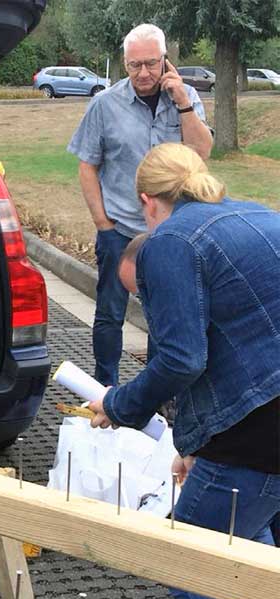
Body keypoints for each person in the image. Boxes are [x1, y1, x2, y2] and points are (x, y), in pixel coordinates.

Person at [88, 143, 280, 599]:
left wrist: (118, 405)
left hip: (259, 431)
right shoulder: (261, 216)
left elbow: (181, 358)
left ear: (146, 201)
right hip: (258, 422)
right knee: (249, 555)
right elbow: (241, 344)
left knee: (183, 562)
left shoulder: (171, 241)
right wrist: (197, 443)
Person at [67, 23, 213, 386]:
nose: (143, 73)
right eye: (135, 65)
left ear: (166, 61)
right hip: (120, 228)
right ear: (124, 63)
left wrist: (182, 102)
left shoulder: (186, 98)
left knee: (163, 315)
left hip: (170, 231)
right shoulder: (105, 104)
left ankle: (156, 393)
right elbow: (88, 165)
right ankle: (106, 389)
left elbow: (202, 151)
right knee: (110, 314)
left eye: (151, 64)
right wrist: (102, 223)